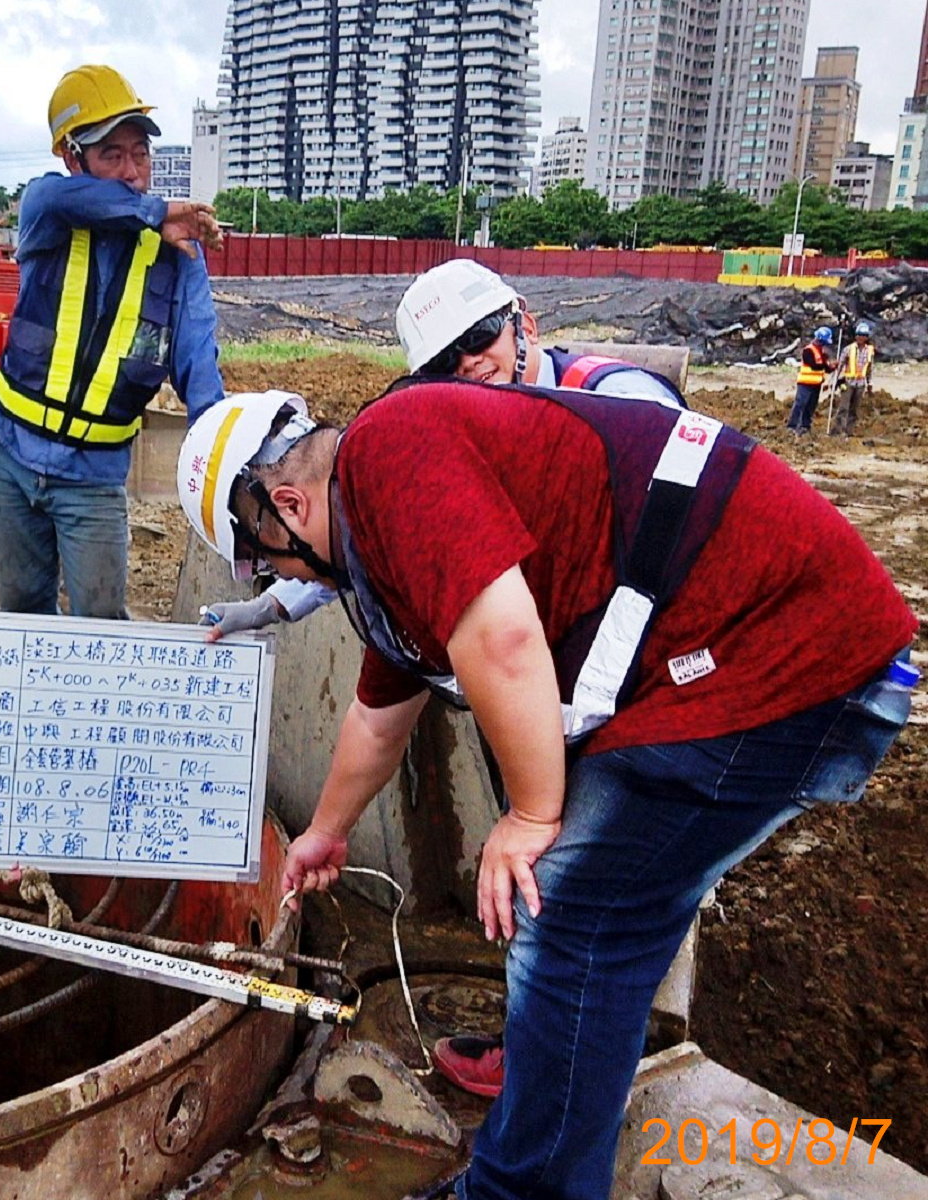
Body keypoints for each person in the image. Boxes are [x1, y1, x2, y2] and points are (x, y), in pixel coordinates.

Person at [177, 384, 915, 1200]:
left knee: (571, 917)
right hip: (728, 652)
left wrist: (531, 815)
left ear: (286, 504)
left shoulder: (391, 452)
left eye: (264, 557)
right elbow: (380, 714)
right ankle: (569, 1085)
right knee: (597, 922)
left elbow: (503, 637)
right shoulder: (387, 538)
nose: (277, 576)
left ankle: (521, 1187)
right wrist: (326, 831)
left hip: (778, 644)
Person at [204, 259, 683, 638]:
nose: (470, 363)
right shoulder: (460, 436)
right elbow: (367, 525)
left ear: (527, 327)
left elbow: (675, 542)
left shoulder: (618, 401)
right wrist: (270, 605)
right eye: (443, 363)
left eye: (480, 337)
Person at [0, 63, 224, 619]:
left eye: (140, 153)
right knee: (20, 610)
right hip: (8, 455)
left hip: (92, 476)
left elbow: (198, 366)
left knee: (100, 624)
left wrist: (225, 460)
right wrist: (154, 212)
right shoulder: (48, 210)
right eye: (112, 155)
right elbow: (66, 200)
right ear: (72, 157)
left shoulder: (178, 255)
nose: (133, 172)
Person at [831, 319, 876, 436]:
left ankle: (849, 431)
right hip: (848, 382)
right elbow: (840, 366)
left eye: (863, 335)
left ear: (867, 337)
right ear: (856, 336)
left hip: (860, 384)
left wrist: (869, 383)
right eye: (859, 335)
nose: (861, 338)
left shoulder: (869, 351)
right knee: (843, 408)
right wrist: (834, 381)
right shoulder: (848, 349)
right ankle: (839, 430)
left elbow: (869, 368)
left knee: (854, 410)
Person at [787, 325, 834, 433]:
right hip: (805, 383)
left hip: (816, 385)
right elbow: (814, 365)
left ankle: (805, 426)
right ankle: (792, 426)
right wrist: (825, 361)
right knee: (800, 404)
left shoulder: (822, 353)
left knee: (810, 406)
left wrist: (832, 367)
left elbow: (825, 368)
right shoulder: (808, 350)